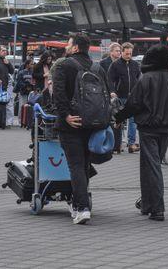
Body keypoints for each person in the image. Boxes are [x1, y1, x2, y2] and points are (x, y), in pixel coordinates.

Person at [115, 46, 168, 222]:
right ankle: (147, 204)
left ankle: (157, 208)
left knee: (151, 167)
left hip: (148, 127)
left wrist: (119, 117)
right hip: (167, 127)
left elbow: (134, 104)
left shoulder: (146, 78)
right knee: (151, 165)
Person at [52, 33, 111, 225]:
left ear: (76, 47)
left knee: (75, 166)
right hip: (93, 124)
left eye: (69, 44)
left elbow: (59, 95)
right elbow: (106, 96)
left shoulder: (63, 65)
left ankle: (82, 208)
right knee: (84, 165)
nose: (67, 47)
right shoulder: (98, 67)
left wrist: (66, 116)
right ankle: (79, 202)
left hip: (72, 124)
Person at [108, 42, 142, 154]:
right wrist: (112, 92)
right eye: (127, 53)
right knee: (119, 121)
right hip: (120, 97)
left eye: (130, 54)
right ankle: (117, 146)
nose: (129, 56)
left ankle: (131, 144)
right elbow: (109, 80)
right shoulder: (115, 65)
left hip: (132, 97)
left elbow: (138, 79)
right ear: (122, 52)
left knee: (133, 121)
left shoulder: (135, 64)